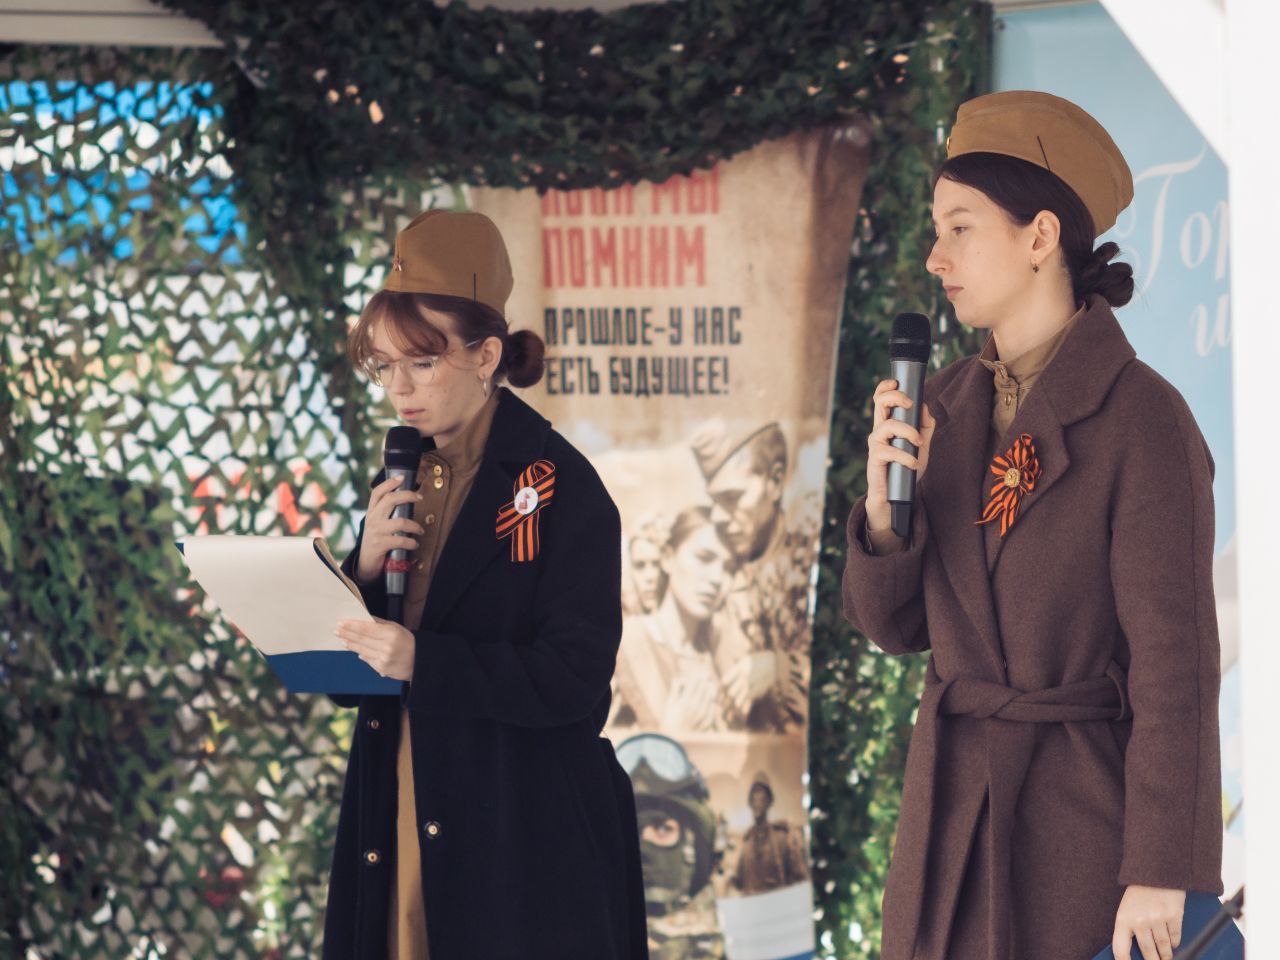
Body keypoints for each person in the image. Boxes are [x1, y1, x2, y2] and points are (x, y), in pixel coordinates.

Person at [841, 91, 1222, 960]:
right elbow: (894, 629)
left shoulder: (1144, 419)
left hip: (1081, 832)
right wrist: (885, 515)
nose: (935, 256)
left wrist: (1161, 869)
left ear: (1041, 236)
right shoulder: (940, 404)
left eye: (960, 227)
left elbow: (1177, 665)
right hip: (947, 828)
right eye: (935, 230)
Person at [323, 209, 647, 959]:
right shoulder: (398, 479)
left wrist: (422, 661)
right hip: (397, 805)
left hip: (520, 833)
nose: (398, 389)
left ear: (486, 354)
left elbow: (573, 681)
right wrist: (361, 572)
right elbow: (351, 684)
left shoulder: (565, 487)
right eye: (383, 366)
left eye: (421, 362)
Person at [691, 421, 811, 732]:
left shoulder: (812, 562)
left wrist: (778, 671)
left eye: (732, 497)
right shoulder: (712, 572)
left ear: (775, 482)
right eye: (714, 501)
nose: (717, 516)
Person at [610, 506, 732, 731]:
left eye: (728, 568)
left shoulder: (719, 651)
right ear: (667, 558)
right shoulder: (623, 643)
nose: (716, 578)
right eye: (704, 558)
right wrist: (670, 735)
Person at [730, 771, 809, 895]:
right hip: (751, 904)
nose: (756, 799)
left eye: (760, 793)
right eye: (753, 795)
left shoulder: (783, 838)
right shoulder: (746, 844)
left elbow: (800, 879)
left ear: (768, 801)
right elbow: (736, 882)